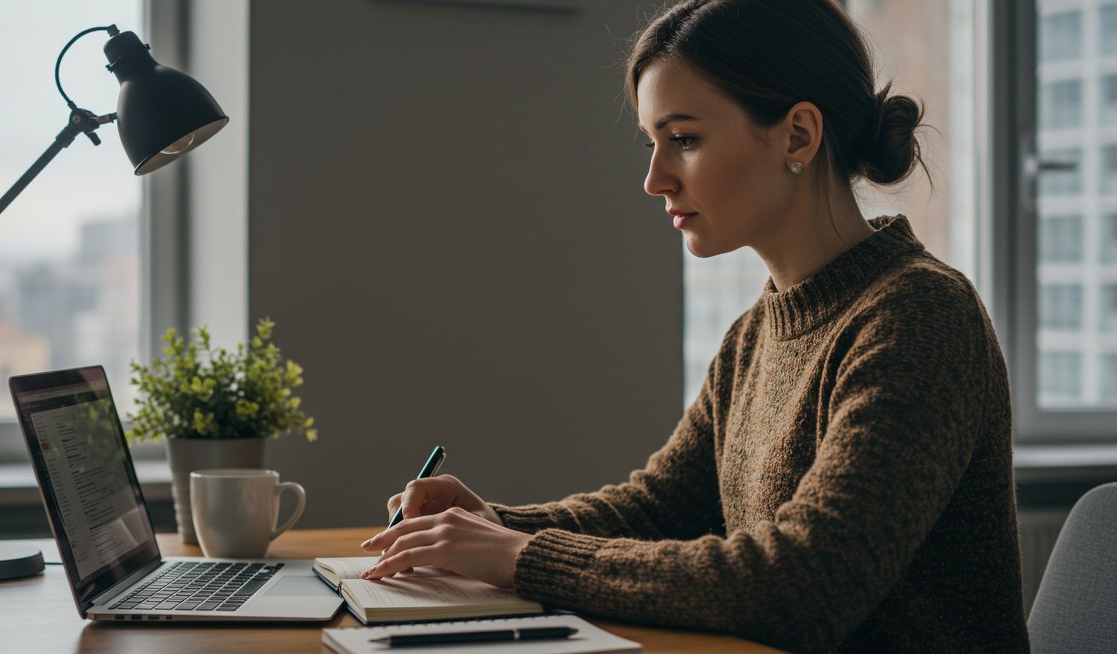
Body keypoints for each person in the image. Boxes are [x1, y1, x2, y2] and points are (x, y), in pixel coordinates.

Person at [359, 0, 1029, 651]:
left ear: (797, 135)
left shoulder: (920, 318)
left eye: (683, 139)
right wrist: (493, 524)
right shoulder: (752, 336)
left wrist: (523, 556)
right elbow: (657, 511)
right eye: (653, 143)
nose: (654, 179)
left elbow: (804, 586)